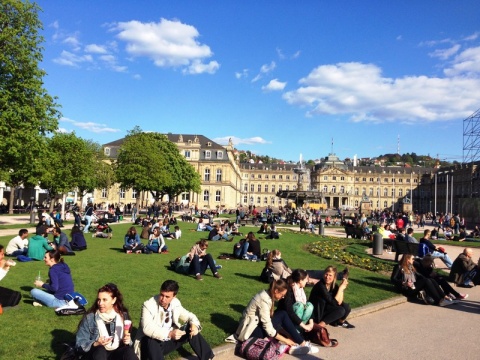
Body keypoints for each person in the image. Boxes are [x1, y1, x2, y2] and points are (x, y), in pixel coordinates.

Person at [134, 280, 215, 360]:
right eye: (161, 295)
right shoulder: (148, 305)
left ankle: (207, 357)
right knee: (150, 339)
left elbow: (189, 316)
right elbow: (147, 328)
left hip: (166, 342)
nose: (163, 299)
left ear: (174, 296)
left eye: (167, 297)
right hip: (149, 347)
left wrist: (194, 326)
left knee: (190, 327)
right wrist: (169, 334)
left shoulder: (175, 303)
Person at [235, 279, 318, 355]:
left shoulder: (267, 295)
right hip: (250, 333)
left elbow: (269, 321)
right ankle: (301, 343)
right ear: (276, 291)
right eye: (282, 295)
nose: (283, 297)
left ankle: (291, 345)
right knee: (282, 314)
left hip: (254, 326)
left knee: (282, 314)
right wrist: (286, 340)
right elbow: (269, 329)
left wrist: (288, 335)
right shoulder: (264, 300)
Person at [76, 283, 137, 359]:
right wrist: (96, 343)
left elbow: (128, 344)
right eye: (99, 300)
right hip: (96, 354)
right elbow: (79, 344)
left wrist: (127, 341)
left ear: (113, 300)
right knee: (100, 350)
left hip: (115, 353)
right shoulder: (90, 318)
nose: (100, 303)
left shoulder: (122, 316)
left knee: (128, 351)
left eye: (104, 300)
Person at [391, 254, 455, 306]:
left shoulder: (410, 266)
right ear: (408, 259)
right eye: (412, 259)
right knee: (426, 281)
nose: (414, 260)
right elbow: (393, 279)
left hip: (413, 287)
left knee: (429, 280)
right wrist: (404, 283)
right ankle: (439, 300)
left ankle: (444, 297)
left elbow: (419, 275)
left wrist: (430, 278)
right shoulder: (399, 266)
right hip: (406, 289)